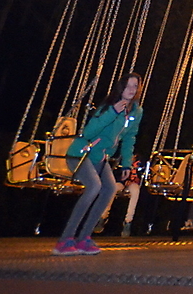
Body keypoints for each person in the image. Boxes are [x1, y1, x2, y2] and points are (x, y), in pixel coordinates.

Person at [54, 73, 144, 256]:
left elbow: (129, 138)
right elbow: (88, 132)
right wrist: (113, 113)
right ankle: (65, 240)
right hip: (80, 154)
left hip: (99, 158)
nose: (131, 89)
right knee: (94, 186)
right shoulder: (108, 106)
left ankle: (84, 238)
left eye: (135, 86)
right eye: (128, 85)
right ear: (121, 88)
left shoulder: (136, 111)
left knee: (109, 189)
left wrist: (127, 164)